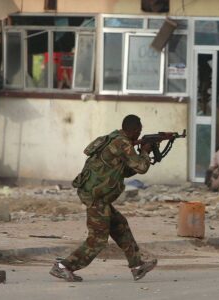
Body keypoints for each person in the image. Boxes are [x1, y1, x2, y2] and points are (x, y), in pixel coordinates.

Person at [49, 115, 157, 282]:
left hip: (98, 197)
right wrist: (144, 152)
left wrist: (141, 153)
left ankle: (137, 266)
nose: (139, 135)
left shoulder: (115, 138)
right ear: (135, 130)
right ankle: (63, 266)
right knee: (98, 239)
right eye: (139, 131)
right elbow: (141, 167)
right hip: (96, 198)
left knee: (121, 227)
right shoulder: (122, 144)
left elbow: (126, 171)